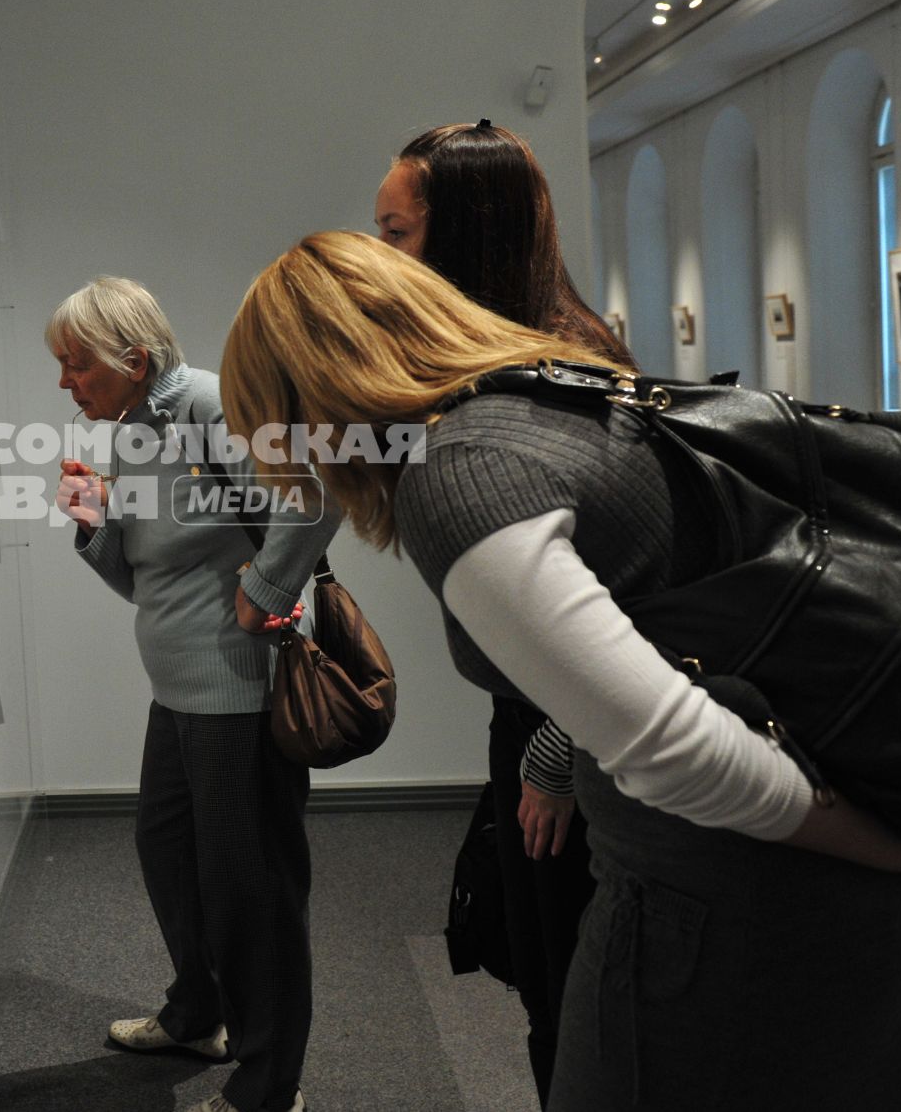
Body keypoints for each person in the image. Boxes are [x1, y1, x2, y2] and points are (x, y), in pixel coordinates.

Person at [220, 231, 901, 1112]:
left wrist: (897, 848)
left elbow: (677, 752)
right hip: (843, 835)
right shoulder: (554, 398)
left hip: (730, 896)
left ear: (306, 398)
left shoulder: (460, 476)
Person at [374, 120, 625, 1103]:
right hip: (537, 719)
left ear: (464, 236)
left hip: (574, 733)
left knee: (574, 994)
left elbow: (632, 600)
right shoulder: (494, 366)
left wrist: (558, 752)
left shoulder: (556, 375)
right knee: (546, 980)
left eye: (396, 233)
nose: (384, 256)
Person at [49, 277, 338, 1112]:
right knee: (168, 851)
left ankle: (267, 1083)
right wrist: (93, 525)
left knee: (253, 891)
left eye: (76, 365)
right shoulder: (135, 429)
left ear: (133, 359)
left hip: (238, 690)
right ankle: (199, 1012)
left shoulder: (211, 403)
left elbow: (312, 495)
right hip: (177, 688)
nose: (65, 383)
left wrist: (269, 588)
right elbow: (147, 577)